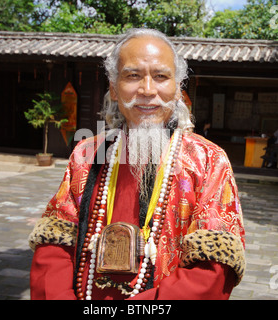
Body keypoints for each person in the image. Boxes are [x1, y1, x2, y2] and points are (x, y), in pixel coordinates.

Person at [29, 28, 245, 300]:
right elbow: (53, 246)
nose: (147, 90)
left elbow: (213, 269)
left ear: (177, 89)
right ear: (114, 89)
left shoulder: (207, 160)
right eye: (132, 76)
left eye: (161, 76)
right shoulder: (87, 153)